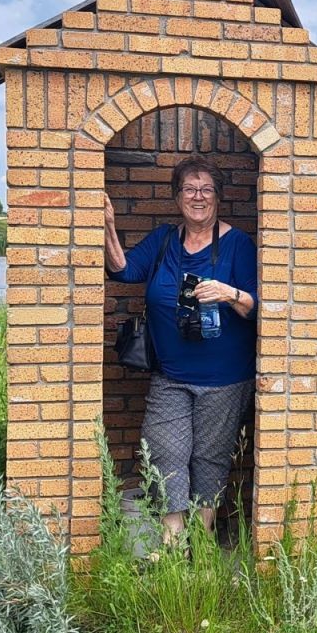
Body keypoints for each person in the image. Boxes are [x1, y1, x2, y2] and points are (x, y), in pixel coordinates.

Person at [102, 155, 257, 545]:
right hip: (170, 376)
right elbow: (123, 271)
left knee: (209, 461)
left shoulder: (238, 244)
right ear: (177, 197)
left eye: (206, 189)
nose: (198, 196)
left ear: (218, 197)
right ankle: (174, 548)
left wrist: (228, 292)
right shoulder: (164, 240)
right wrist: (106, 225)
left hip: (225, 380)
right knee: (165, 455)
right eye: (190, 188)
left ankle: (201, 545)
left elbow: (257, 306)